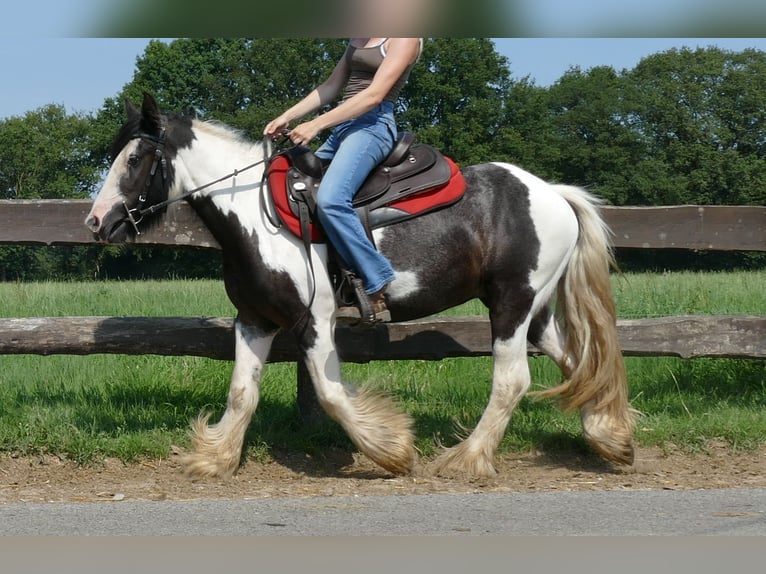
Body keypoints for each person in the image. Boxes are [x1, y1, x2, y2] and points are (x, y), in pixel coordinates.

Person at [264, 38, 423, 324]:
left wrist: (315, 124)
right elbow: (330, 87)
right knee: (293, 183)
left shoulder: (404, 38)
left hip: (373, 126)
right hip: (343, 127)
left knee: (331, 199)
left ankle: (376, 281)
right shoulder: (359, 39)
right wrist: (286, 117)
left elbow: (374, 95)